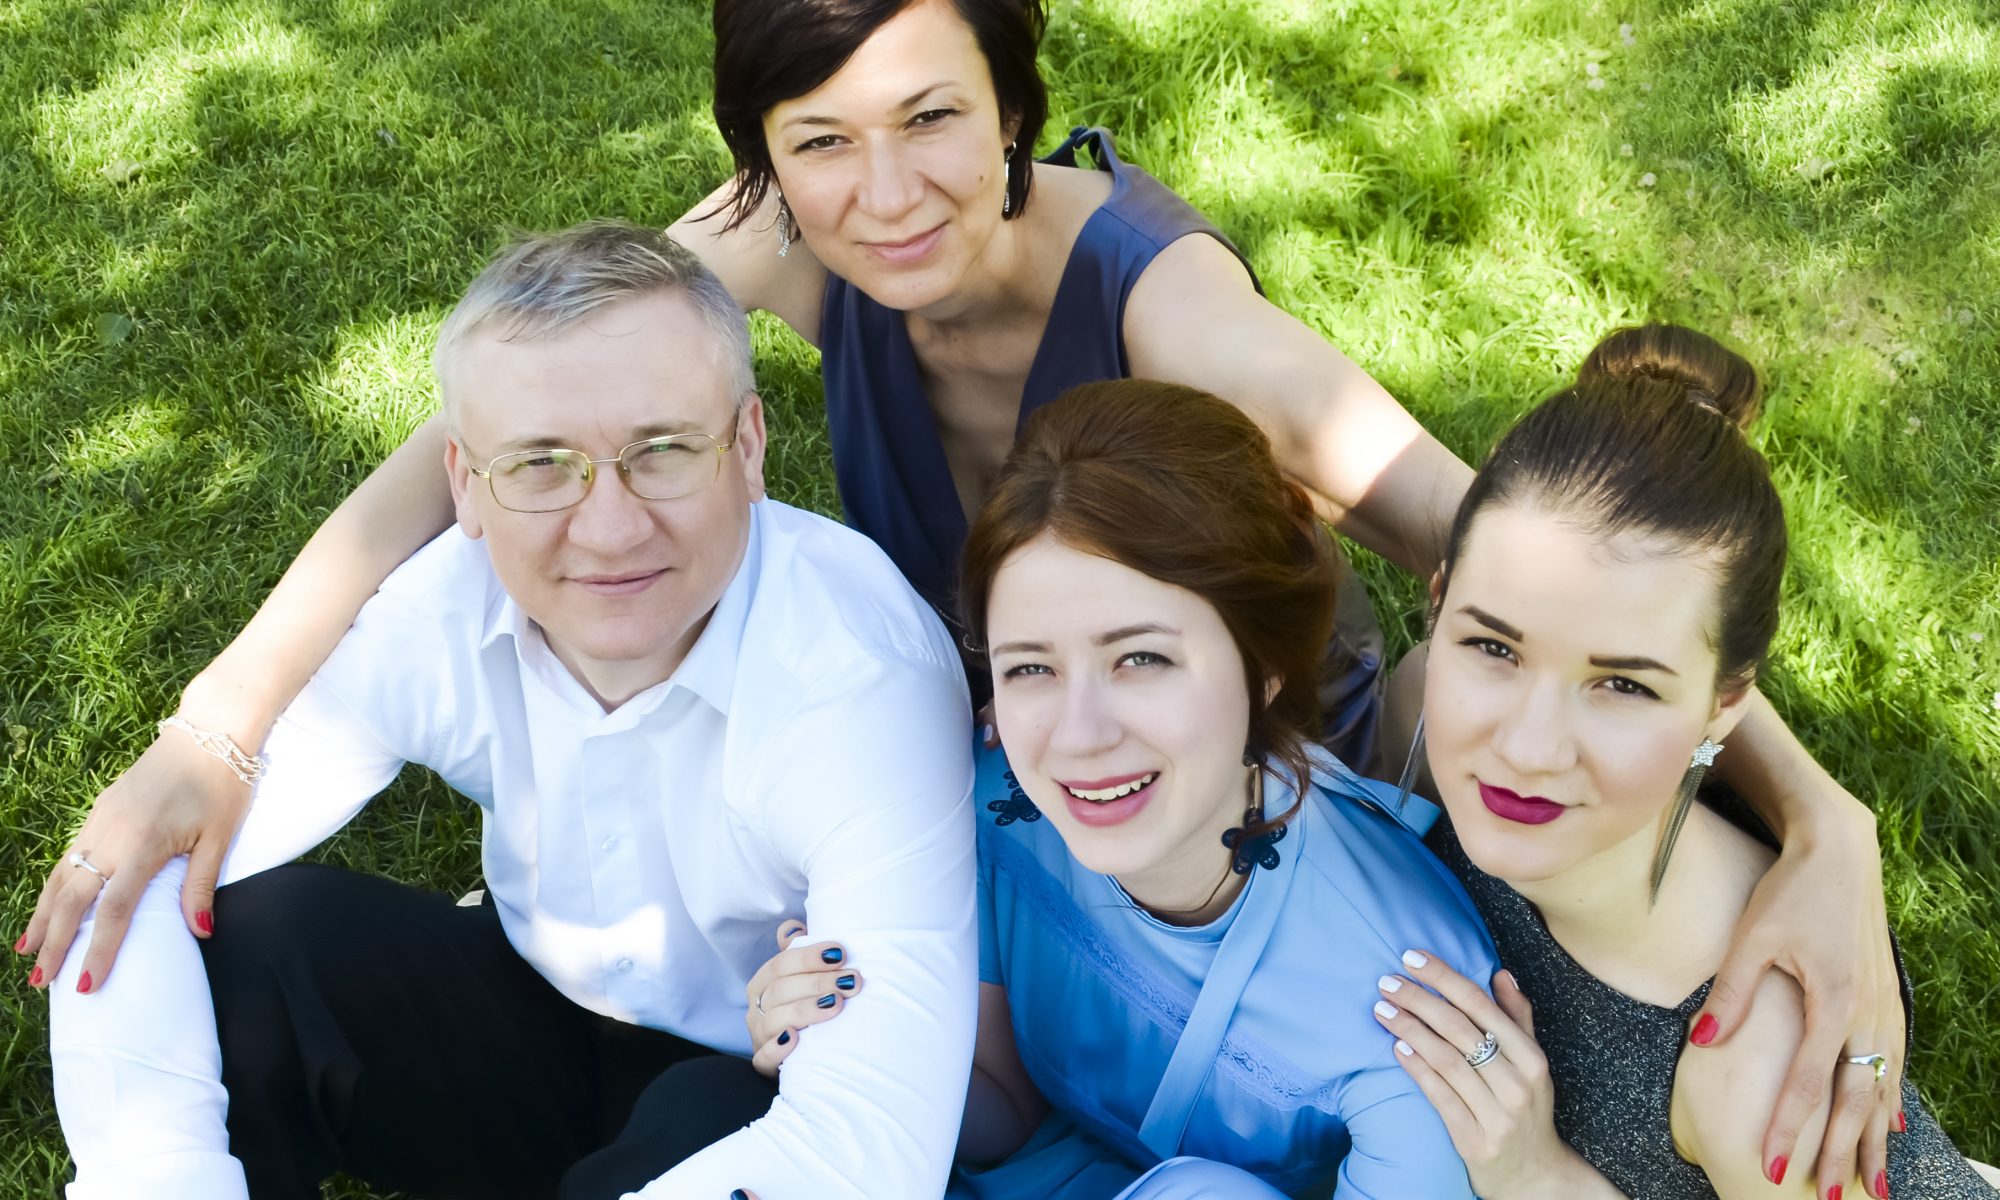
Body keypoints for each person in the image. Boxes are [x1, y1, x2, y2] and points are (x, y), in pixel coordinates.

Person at [23, 0, 1907, 1181]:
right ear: (764, 168)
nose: (884, 192)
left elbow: (1521, 553)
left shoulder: (1168, 307)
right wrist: (220, 725)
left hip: (1242, 761)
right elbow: (493, 421)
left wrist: (1822, 820)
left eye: (932, 117)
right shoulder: (795, 240)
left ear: (1014, 99)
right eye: (819, 144)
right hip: (1016, 780)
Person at [41, 220, 978, 1200]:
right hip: (529, 1014)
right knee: (252, 946)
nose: (608, 530)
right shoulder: (448, 605)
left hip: (750, 1080)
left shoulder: (860, 680)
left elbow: (869, 1142)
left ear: (747, 447)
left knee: (701, 1117)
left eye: (661, 450)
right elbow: (143, 869)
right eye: (540, 465)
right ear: (465, 485)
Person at [742, 379, 1499, 1198]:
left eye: (1142, 659)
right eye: (1031, 668)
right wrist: (857, 1041)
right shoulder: (988, 808)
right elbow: (1004, 1116)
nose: (1078, 736)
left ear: (1264, 666)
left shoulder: (1414, 1005)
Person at [1364, 326, 1999, 1199]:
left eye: (1622, 685)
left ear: (1724, 706)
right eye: (1495, 647)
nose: (1526, 749)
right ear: (1439, 608)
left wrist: (1537, 1176)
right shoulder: (1418, 715)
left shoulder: (1755, 1069)